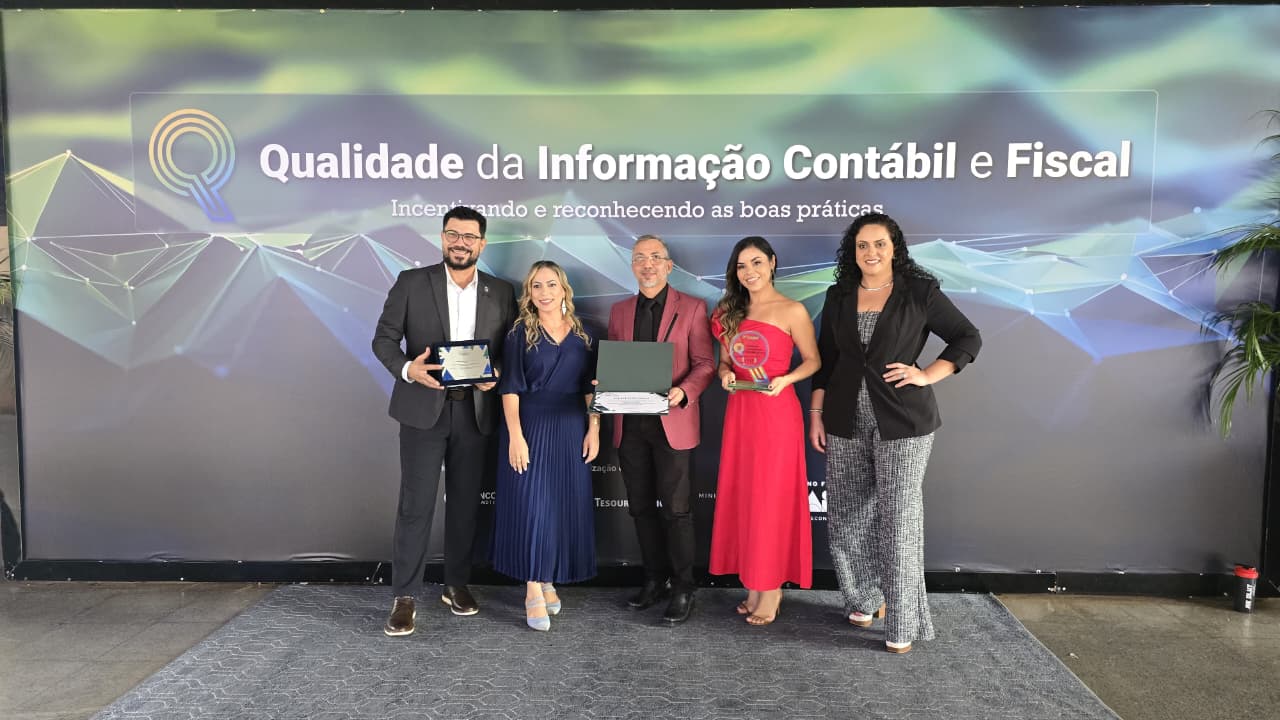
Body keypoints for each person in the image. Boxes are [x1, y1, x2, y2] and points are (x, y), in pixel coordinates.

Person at [808, 212, 981, 654]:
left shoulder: (919, 291)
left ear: (895, 248)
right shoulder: (838, 294)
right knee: (847, 517)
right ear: (853, 252)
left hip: (903, 422)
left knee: (898, 522)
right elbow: (827, 360)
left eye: (880, 244)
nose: (871, 252)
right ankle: (862, 599)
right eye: (862, 245)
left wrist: (927, 374)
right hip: (843, 419)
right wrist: (816, 413)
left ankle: (903, 620)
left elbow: (967, 337)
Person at [371, 205, 517, 637]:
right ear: (442, 237)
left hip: (476, 411)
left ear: (482, 243)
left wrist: (498, 375)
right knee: (415, 505)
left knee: (466, 504)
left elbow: (510, 350)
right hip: (423, 409)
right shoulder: (411, 282)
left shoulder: (501, 291)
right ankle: (405, 596)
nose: (460, 243)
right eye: (453, 234)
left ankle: (456, 584)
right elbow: (383, 339)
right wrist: (407, 369)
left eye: (469, 236)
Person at [708, 236, 820, 626]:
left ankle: (771, 587)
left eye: (756, 262)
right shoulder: (728, 312)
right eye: (741, 265)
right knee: (746, 496)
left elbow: (813, 361)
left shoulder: (792, 310)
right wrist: (724, 374)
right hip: (741, 412)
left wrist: (786, 379)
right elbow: (725, 362)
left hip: (776, 412)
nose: (749, 272)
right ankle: (754, 583)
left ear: (772, 263)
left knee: (771, 497)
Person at [606, 234, 716, 623]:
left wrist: (683, 392)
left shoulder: (693, 307)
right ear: (632, 266)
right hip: (630, 423)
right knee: (640, 508)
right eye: (640, 258)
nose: (647, 264)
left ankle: (684, 587)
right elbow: (616, 364)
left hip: (673, 422)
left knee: (676, 510)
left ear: (669, 266)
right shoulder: (619, 311)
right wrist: (605, 384)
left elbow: (705, 363)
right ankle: (654, 580)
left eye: (655, 257)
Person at [492, 261, 600, 631]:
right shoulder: (519, 333)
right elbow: (510, 387)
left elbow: (590, 388)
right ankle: (532, 589)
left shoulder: (583, 334)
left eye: (551, 284)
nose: (544, 293)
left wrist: (594, 429)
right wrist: (516, 435)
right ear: (529, 292)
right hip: (530, 425)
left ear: (564, 289)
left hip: (571, 427)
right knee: (532, 506)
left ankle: (548, 577)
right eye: (536, 286)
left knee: (559, 507)